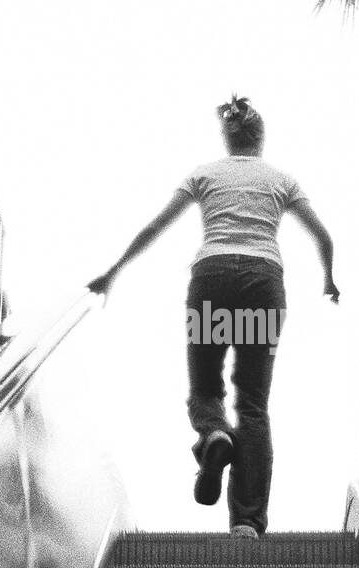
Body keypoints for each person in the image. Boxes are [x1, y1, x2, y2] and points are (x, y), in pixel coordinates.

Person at [87, 95, 339, 537]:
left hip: (213, 281)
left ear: (228, 139)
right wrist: (329, 280)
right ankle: (246, 521)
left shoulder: (205, 174)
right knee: (254, 405)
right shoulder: (282, 180)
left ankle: (213, 434)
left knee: (205, 387)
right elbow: (323, 236)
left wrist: (113, 272)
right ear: (260, 139)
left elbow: (155, 227)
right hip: (262, 285)